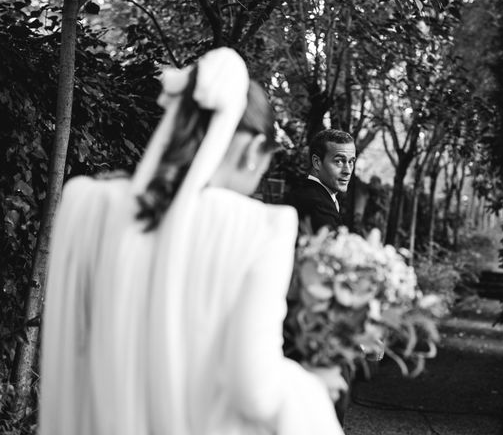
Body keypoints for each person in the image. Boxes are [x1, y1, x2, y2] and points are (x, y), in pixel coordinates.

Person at [39, 48, 345, 435]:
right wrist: (314, 383)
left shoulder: (89, 204)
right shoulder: (262, 227)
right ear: (253, 151)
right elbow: (257, 392)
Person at [284, 129, 356, 233]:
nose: (348, 171)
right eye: (339, 161)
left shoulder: (303, 193)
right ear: (317, 162)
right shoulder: (319, 205)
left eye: (351, 161)